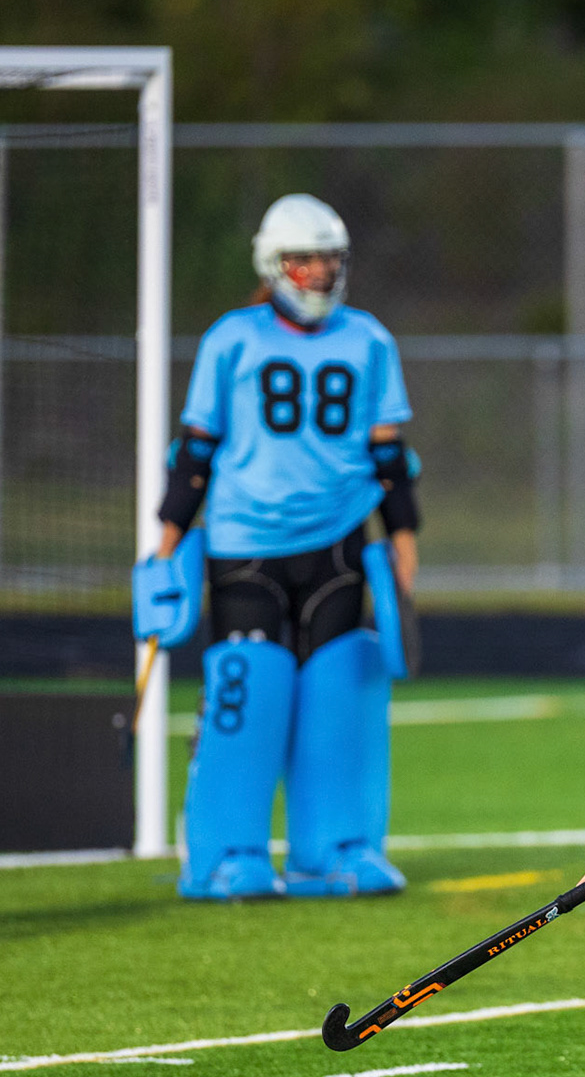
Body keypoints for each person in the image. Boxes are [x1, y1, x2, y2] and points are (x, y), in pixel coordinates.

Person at [148, 193, 420, 900]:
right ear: (273, 265)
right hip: (245, 545)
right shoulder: (231, 339)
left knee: (340, 689)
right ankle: (226, 852)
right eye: (305, 261)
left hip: (339, 539)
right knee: (248, 687)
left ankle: (336, 847)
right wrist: (165, 548)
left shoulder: (369, 340)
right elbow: (196, 451)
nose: (320, 273)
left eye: (329, 260)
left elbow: (389, 456)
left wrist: (403, 541)